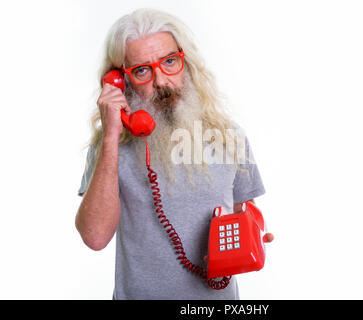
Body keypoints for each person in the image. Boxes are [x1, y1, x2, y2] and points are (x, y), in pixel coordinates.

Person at [76, 8, 273, 300]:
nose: (161, 81)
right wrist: (110, 139)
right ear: (120, 80)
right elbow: (94, 237)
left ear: (186, 62)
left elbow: (247, 210)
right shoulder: (110, 147)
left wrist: (255, 235)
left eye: (170, 62)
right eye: (142, 70)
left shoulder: (230, 136)